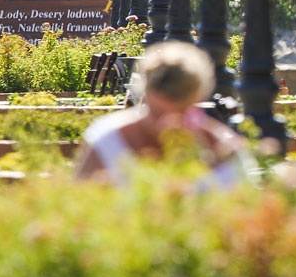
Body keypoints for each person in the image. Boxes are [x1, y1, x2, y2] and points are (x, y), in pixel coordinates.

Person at [74, 41, 250, 188]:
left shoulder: (107, 138)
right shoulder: (222, 145)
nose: (169, 123)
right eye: (158, 114)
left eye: (182, 112)